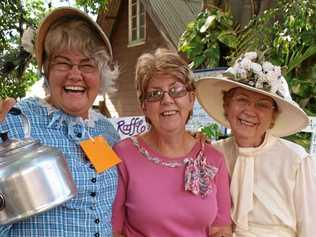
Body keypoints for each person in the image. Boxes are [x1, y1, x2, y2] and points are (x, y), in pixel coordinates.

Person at [0, 7, 120, 236]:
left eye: (87, 65)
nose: (75, 74)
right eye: (63, 63)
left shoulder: (106, 130)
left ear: (101, 74)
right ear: (46, 69)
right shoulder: (15, 121)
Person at [111, 48, 232, 237]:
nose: (167, 100)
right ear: (143, 106)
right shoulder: (123, 156)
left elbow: (221, 229)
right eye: (155, 94)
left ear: (191, 99)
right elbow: (114, 230)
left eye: (176, 90)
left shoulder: (213, 158)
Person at [195, 51, 316, 237]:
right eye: (242, 100)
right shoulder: (213, 154)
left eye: (262, 105)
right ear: (226, 105)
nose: (250, 111)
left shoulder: (296, 159)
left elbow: (310, 227)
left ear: (273, 117)